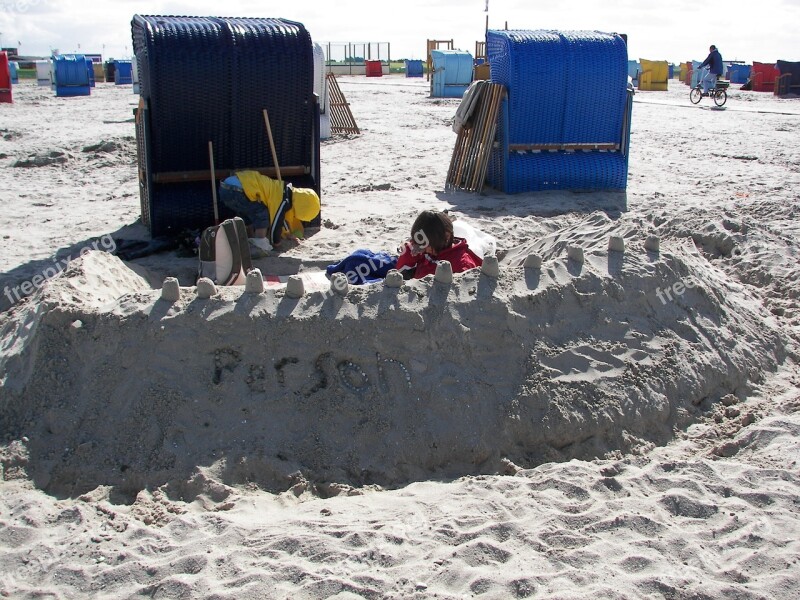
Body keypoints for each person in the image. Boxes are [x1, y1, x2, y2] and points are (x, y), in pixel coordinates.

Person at [218, 170, 321, 257]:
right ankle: (260, 243)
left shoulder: (284, 191)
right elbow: (276, 223)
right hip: (237, 190)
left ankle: (251, 239)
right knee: (263, 214)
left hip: (227, 187)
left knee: (250, 214)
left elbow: (281, 217)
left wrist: (287, 233)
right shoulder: (283, 200)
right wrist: (276, 243)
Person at [395, 210, 483, 279]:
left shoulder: (462, 264)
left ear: (446, 236)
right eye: (419, 244)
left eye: (426, 245)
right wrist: (411, 249)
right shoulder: (427, 249)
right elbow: (400, 270)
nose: (423, 249)